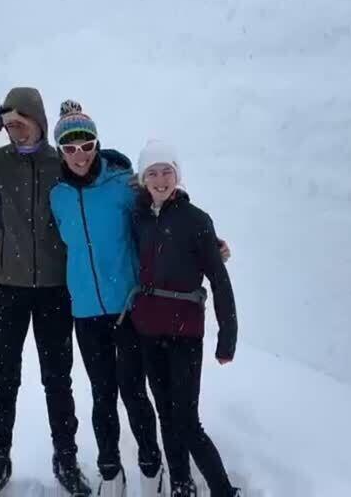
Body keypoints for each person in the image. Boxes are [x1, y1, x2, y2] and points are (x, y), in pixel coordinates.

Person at [0, 87, 92, 497]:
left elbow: (99, 175)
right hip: (6, 286)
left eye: (21, 124)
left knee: (58, 379)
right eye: (10, 126)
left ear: (39, 122)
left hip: (55, 289)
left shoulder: (60, 162)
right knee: (4, 379)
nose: (15, 131)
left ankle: (66, 460)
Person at [47, 101, 165, 496]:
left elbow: (160, 213)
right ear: (60, 151)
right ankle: (111, 471)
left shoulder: (123, 186)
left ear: (97, 144)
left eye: (86, 145)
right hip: (85, 312)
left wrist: (205, 243)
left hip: (126, 308)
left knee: (134, 392)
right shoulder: (58, 195)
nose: (79, 155)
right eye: (70, 147)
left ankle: (151, 468)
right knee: (102, 396)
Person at [128, 139, 242, 497]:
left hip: (185, 333)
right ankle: (181, 483)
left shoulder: (197, 220)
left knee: (187, 421)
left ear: (178, 175)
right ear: (143, 178)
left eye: (167, 171)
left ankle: (223, 490)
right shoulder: (137, 217)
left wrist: (227, 336)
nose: (160, 179)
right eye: (152, 173)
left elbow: (219, 281)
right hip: (149, 331)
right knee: (165, 413)